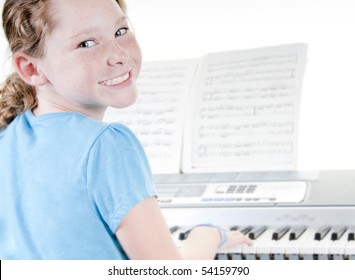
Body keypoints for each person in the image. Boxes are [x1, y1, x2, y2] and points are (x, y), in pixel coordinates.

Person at [0, 0, 252, 259]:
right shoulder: (107, 145)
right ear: (31, 69)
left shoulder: (6, 136)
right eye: (86, 43)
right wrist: (208, 235)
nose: (119, 55)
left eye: (120, 31)